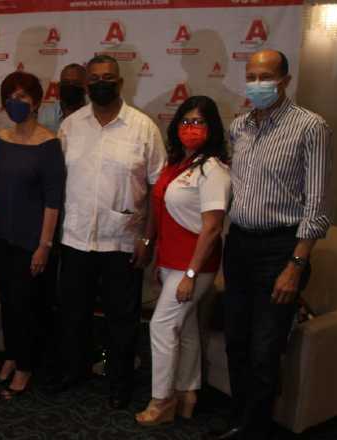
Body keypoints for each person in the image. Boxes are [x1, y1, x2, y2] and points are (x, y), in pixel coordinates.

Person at [216, 50, 332, 440]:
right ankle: (238, 420)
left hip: (280, 251)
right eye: (251, 76)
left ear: (285, 80)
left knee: (265, 350)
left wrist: (295, 264)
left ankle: (257, 430)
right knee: (237, 340)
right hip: (240, 246)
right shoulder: (240, 126)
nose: (257, 84)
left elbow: (316, 206)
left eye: (266, 76)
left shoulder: (310, 127)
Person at [51, 55, 166, 410]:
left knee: (122, 319)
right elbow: (57, 184)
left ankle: (120, 382)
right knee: (73, 314)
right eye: (95, 78)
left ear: (120, 83)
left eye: (109, 77)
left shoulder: (143, 127)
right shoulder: (71, 126)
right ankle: (75, 370)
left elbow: (158, 190)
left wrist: (147, 239)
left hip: (123, 242)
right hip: (75, 239)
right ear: (86, 86)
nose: (102, 83)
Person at [135, 96, 231, 426]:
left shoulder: (214, 169)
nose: (191, 128)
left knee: (162, 326)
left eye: (199, 122)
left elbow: (213, 227)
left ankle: (161, 401)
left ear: (212, 128)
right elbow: (160, 211)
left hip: (194, 266)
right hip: (171, 262)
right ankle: (188, 394)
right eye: (186, 121)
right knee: (187, 328)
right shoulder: (178, 164)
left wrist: (190, 273)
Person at [0, 71, 66, 400]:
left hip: (31, 242)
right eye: (10, 97)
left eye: (22, 97)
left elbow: (53, 201)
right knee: (7, 303)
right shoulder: (0, 138)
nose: (15, 104)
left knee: (27, 306)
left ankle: (25, 366)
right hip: (0, 238)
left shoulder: (49, 144)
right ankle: (11, 355)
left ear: (37, 102)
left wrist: (44, 246)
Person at [37, 63, 87, 133]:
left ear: (86, 87)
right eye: (66, 82)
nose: (70, 86)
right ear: (59, 86)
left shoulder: (95, 113)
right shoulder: (45, 115)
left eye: (76, 83)